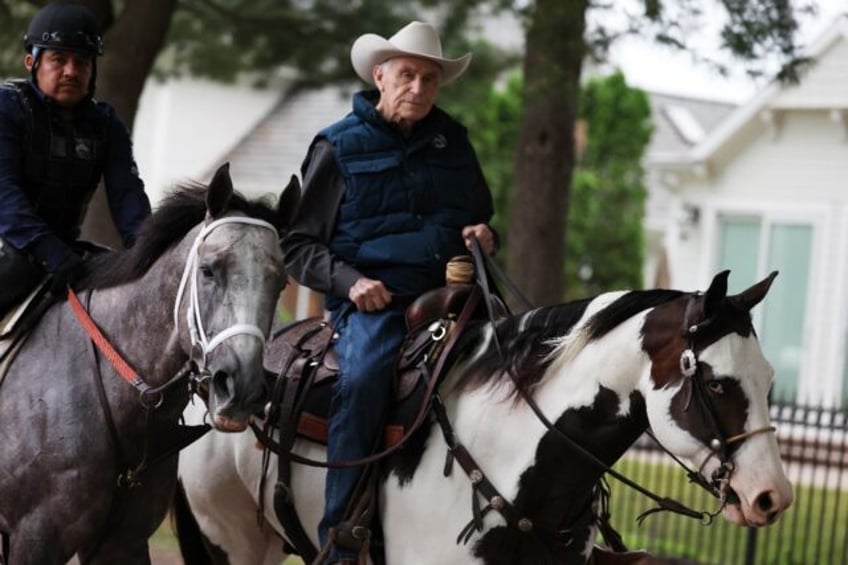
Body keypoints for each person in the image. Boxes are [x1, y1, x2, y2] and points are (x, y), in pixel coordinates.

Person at [282, 20, 497, 564]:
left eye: (429, 78)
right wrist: (351, 284)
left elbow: (479, 218)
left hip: (451, 298)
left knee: (517, 366)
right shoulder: (337, 146)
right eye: (407, 75)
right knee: (367, 379)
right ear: (380, 75)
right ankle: (342, 541)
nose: (419, 88)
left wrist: (484, 235)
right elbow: (298, 245)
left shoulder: (455, 141)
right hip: (373, 307)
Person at [0, 1, 150, 314]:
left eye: (82, 62)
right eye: (59, 59)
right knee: (17, 269)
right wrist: (47, 250)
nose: (71, 71)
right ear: (32, 62)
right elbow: (4, 194)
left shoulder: (106, 124)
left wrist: (149, 253)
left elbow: (128, 197)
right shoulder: (7, 108)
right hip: (10, 243)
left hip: (63, 249)